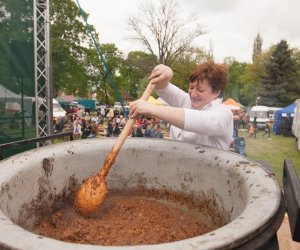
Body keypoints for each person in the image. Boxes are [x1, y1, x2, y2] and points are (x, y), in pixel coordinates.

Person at [129, 61, 233, 150]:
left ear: (216, 92)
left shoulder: (223, 114)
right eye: (191, 87)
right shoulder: (187, 101)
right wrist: (166, 72)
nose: (193, 93)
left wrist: (151, 108)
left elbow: (197, 120)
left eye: (200, 90)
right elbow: (161, 86)